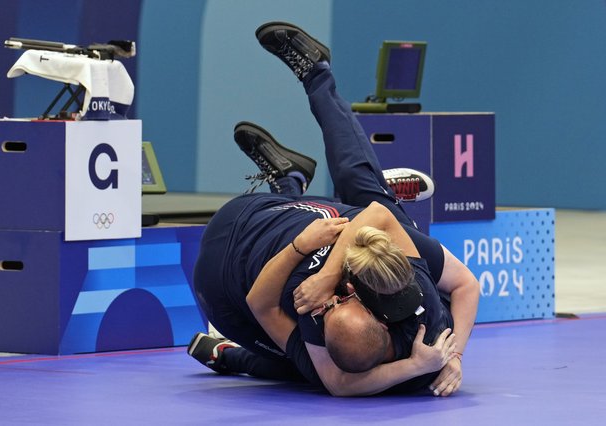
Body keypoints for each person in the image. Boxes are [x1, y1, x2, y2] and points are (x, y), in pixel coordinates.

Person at [189, 21, 479, 397]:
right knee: (363, 184)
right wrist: (451, 356)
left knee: (305, 368)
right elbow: (385, 222)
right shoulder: (396, 281)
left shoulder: (315, 311)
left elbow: (336, 382)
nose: (338, 295)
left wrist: (302, 249)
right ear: (376, 310)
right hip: (300, 221)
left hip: (233, 274)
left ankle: (290, 181)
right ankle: (316, 73)